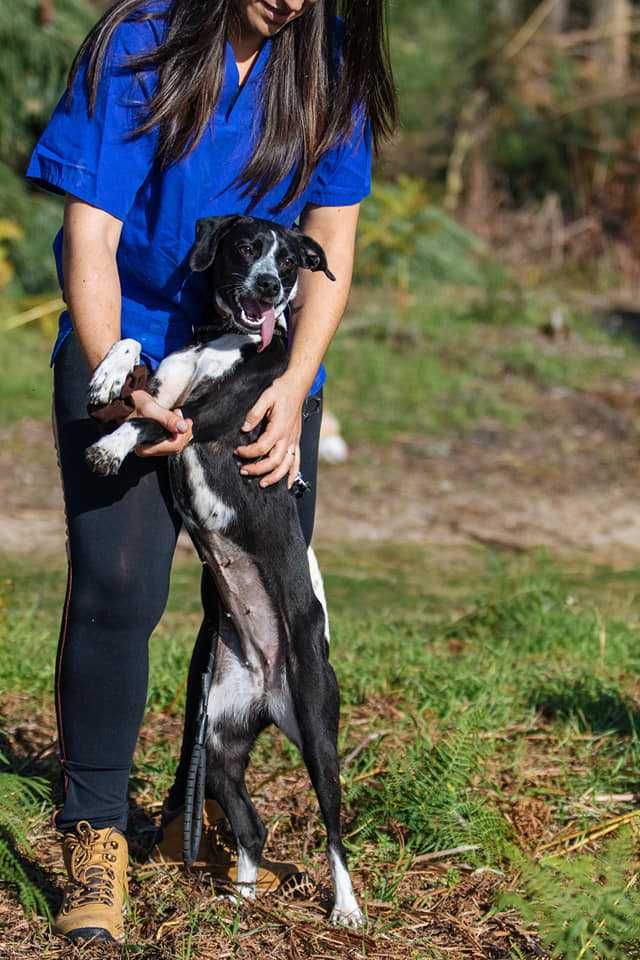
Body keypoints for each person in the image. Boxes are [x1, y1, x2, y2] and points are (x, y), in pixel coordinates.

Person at [26, 0, 397, 943]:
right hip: (130, 337)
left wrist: (298, 384)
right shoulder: (139, 45)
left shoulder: (328, 66)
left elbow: (333, 241)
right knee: (119, 584)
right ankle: (95, 837)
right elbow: (92, 235)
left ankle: (187, 815)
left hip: (257, 368)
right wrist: (119, 377)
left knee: (249, 598)